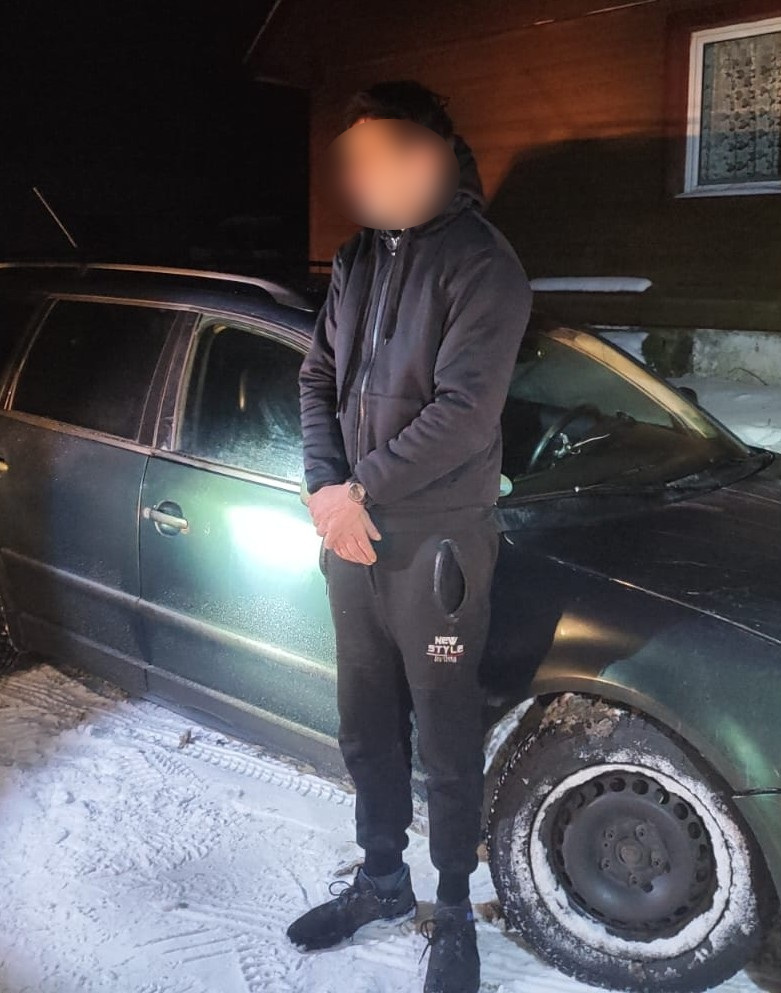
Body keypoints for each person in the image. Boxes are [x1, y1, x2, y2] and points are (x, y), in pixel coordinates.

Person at [288, 80, 532, 993]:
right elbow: (316, 380)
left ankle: (455, 907)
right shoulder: (356, 259)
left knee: (444, 730)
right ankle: (383, 879)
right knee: (365, 721)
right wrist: (327, 490)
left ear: (434, 152)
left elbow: (466, 413)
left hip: (438, 543)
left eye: (388, 152)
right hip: (351, 534)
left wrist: (361, 488)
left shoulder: (483, 264)